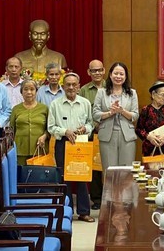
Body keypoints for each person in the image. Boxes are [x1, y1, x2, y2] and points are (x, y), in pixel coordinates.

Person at [47, 73, 94, 222]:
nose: (71, 87)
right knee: (63, 177)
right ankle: (65, 212)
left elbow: (91, 124)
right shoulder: (55, 104)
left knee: (82, 177)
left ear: (79, 86)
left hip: (81, 143)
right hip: (63, 143)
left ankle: (84, 212)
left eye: (74, 84)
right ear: (63, 86)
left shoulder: (85, 103)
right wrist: (64, 131)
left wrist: (84, 129)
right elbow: (50, 127)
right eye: (68, 85)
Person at [93, 62, 139, 173]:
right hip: (107, 136)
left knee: (126, 172)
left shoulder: (132, 93)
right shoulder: (101, 93)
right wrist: (110, 112)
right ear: (110, 75)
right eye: (116, 73)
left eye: (121, 74)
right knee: (109, 171)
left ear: (125, 76)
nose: (118, 76)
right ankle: (110, 191)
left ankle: (125, 191)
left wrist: (122, 111)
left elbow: (135, 115)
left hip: (127, 136)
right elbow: (95, 114)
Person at [78, 59, 105, 210]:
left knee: (110, 165)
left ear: (104, 70)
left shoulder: (111, 87)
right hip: (92, 133)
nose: (97, 73)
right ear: (88, 72)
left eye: (99, 70)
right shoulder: (84, 90)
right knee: (95, 166)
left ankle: (111, 197)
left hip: (109, 131)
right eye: (94, 70)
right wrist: (95, 126)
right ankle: (96, 199)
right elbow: (83, 113)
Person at [9, 80, 49, 166]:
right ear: (21, 92)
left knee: (38, 176)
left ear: (36, 91)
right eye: (25, 89)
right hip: (20, 150)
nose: (29, 92)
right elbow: (11, 130)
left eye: (32, 89)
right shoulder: (16, 109)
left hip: (39, 149)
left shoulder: (44, 108)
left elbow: (49, 128)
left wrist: (44, 136)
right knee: (21, 176)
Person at [136, 82, 164, 160]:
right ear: (153, 95)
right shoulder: (146, 110)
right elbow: (139, 129)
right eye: (163, 95)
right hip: (149, 148)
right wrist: (149, 137)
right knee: (151, 171)